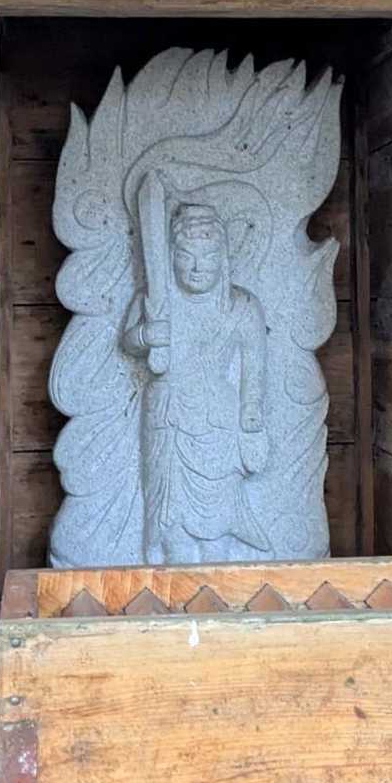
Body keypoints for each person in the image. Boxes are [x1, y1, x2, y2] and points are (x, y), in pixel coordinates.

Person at [120, 201, 271, 563]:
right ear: (171, 256)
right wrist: (145, 335)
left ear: (223, 257)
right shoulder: (155, 300)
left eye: (208, 256)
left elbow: (255, 367)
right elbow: (127, 341)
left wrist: (251, 418)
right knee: (171, 520)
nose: (197, 267)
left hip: (218, 419)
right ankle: (176, 581)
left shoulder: (242, 306)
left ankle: (217, 583)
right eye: (186, 256)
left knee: (218, 523)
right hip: (168, 414)